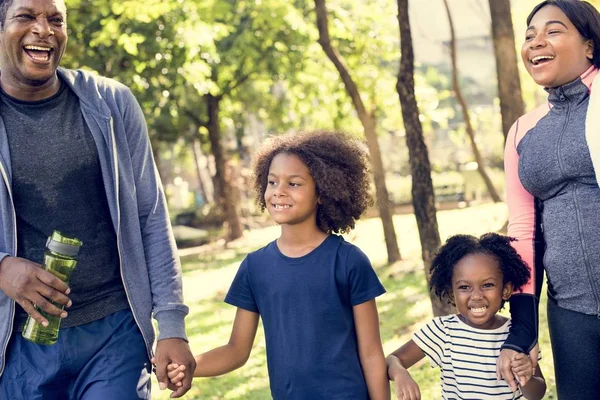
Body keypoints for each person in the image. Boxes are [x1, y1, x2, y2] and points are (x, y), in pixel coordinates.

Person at [0, 0, 195, 398]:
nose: (44, 29)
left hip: (114, 330)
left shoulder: (111, 104)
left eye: (56, 20)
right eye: (26, 17)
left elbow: (150, 215)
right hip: (19, 343)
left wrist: (172, 324)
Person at [161, 130, 390, 399]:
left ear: (323, 192)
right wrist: (190, 366)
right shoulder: (255, 267)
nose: (279, 192)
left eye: (294, 184)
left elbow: (372, 353)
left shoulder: (349, 261)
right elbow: (236, 350)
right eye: (272, 182)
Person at [499, 1, 600, 398]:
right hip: (571, 314)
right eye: (529, 35)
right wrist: (523, 328)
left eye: (554, 31)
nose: (536, 42)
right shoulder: (523, 131)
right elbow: (523, 232)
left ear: (589, 46)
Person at [386, 233, 546, 400]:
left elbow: (537, 394)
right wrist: (400, 374)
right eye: (464, 287)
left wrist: (526, 377)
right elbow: (392, 359)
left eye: (487, 285)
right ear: (451, 292)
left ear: (505, 290)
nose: (476, 295)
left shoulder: (518, 334)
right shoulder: (442, 331)